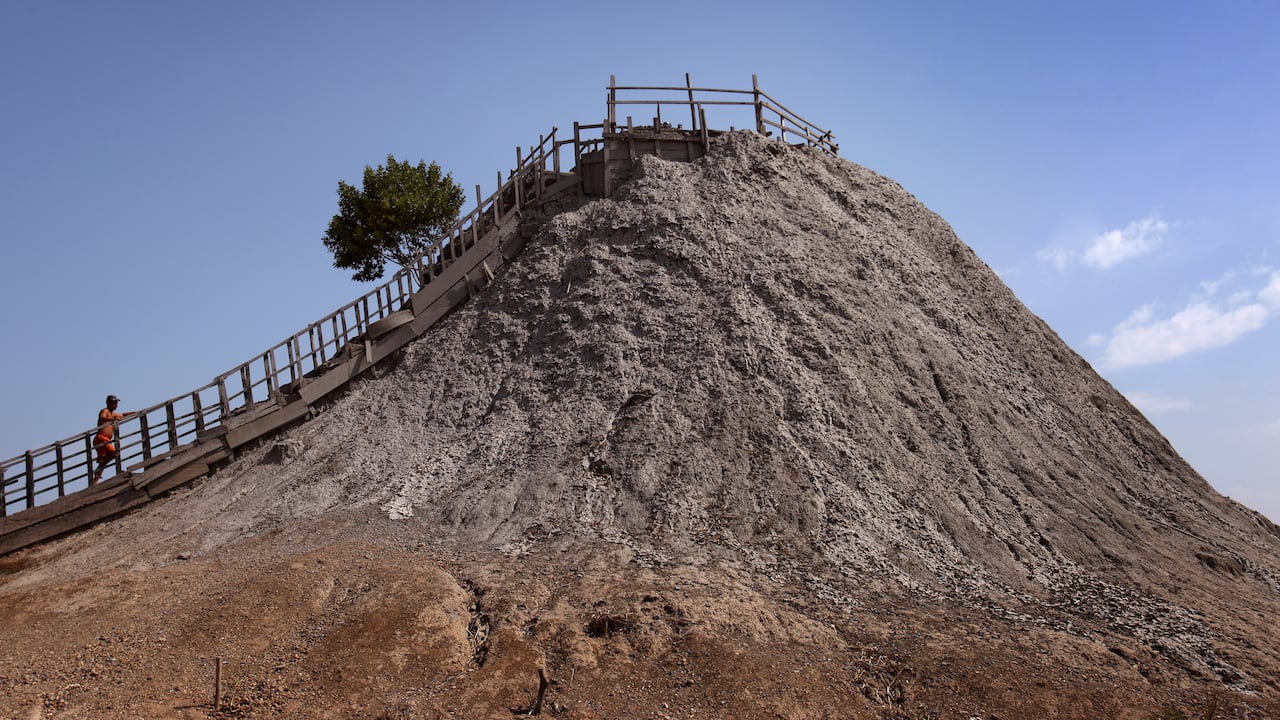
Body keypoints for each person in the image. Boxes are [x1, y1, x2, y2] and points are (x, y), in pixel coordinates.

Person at [92, 395, 126, 482]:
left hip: (105, 439)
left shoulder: (113, 414)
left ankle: (95, 481)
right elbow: (102, 417)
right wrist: (112, 419)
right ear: (109, 403)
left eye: (117, 403)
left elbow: (123, 415)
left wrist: (136, 413)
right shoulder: (105, 411)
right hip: (100, 438)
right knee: (114, 453)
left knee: (103, 459)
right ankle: (98, 471)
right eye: (114, 403)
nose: (116, 404)